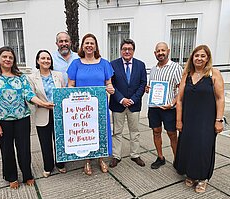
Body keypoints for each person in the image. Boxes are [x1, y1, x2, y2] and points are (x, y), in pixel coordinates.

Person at [0, 46, 54, 189]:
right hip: (2, 120)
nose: (8, 59)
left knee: (24, 149)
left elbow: (29, 95)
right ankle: (11, 177)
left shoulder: (20, 76)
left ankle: (27, 175)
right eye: (5, 57)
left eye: (10, 57)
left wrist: (43, 104)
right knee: (7, 149)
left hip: (22, 118)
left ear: (14, 60)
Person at [174, 45, 225, 193]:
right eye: (197, 55)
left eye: (203, 56)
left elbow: (220, 98)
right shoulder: (187, 74)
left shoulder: (214, 74)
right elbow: (180, 100)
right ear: (192, 57)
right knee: (189, 146)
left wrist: (219, 120)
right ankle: (191, 174)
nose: (199, 58)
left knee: (203, 148)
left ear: (207, 58)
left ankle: (203, 178)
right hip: (188, 119)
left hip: (206, 120)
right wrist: (179, 120)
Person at [67, 33, 115, 175]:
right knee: (85, 131)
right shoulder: (76, 63)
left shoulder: (104, 63)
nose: (89, 45)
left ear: (95, 46)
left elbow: (108, 83)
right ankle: (87, 160)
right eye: (86, 43)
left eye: (92, 43)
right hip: (82, 107)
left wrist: (111, 89)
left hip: (99, 106)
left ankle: (100, 158)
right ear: (82, 46)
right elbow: (71, 84)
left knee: (100, 131)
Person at [27, 50, 66, 178]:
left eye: (48, 58)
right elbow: (31, 96)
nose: (46, 61)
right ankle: (48, 166)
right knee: (45, 142)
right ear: (38, 61)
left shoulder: (58, 75)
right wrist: (44, 104)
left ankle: (60, 164)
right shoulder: (32, 77)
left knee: (60, 140)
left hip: (58, 113)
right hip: (42, 113)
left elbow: (63, 93)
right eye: (42, 58)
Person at [109, 38, 147, 168]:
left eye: (129, 49)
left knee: (134, 131)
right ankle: (116, 156)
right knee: (117, 132)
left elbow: (143, 84)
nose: (127, 51)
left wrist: (133, 99)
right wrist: (121, 99)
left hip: (134, 104)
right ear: (120, 51)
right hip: (117, 104)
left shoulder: (140, 65)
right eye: (124, 49)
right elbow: (111, 84)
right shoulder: (112, 65)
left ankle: (135, 155)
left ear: (133, 51)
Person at [145, 42, 182, 169]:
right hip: (154, 108)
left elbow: (181, 89)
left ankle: (177, 160)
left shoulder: (176, 68)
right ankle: (160, 157)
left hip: (169, 109)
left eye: (163, 50)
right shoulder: (153, 69)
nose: (160, 53)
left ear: (168, 51)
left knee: (172, 134)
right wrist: (148, 89)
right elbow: (151, 86)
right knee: (156, 132)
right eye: (158, 51)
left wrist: (172, 103)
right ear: (155, 53)